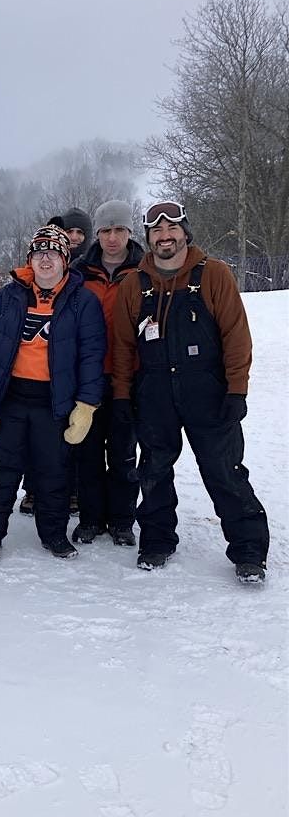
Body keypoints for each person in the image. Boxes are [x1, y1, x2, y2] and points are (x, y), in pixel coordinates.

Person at [112, 201, 270, 583]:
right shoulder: (135, 284)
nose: (165, 237)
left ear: (185, 232)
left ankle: (249, 550)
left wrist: (237, 391)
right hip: (155, 392)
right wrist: (121, 394)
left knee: (223, 470)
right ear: (148, 239)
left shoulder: (213, 274)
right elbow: (122, 347)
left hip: (208, 391)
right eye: (156, 232)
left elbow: (236, 337)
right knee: (154, 470)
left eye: (172, 230)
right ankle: (157, 539)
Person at [0, 224, 105, 561]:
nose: (46, 259)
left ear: (65, 260)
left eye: (53, 253)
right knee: (1, 469)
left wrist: (86, 404)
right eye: (39, 253)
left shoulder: (82, 300)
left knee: (54, 471)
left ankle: (54, 534)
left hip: (53, 401)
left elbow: (91, 355)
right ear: (30, 259)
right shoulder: (9, 297)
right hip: (11, 398)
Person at [69, 200, 144, 545]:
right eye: (105, 231)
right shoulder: (80, 272)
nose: (112, 238)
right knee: (86, 453)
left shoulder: (144, 271)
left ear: (130, 232)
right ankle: (90, 518)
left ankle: (122, 520)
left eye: (119, 230)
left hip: (129, 377)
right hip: (88, 378)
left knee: (123, 452)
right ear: (97, 234)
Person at [18, 206, 95, 516]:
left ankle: (73, 491)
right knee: (33, 439)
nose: (74, 238)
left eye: (80, 233)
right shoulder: (34, 275)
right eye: (69, 233)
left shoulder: (88, 273)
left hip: (76, 365)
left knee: (70, 438)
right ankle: (34, 489)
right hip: (37, 373)